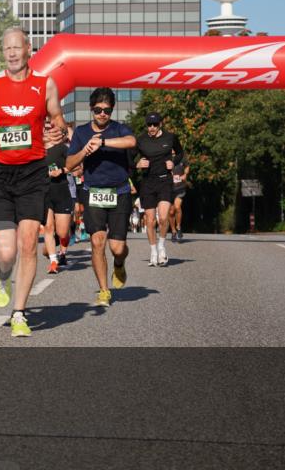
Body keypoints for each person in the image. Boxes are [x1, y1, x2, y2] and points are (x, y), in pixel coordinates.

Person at [0, 27, 67, 337]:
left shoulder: (45, 85)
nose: (11, 53)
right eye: (6, 48)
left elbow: (58, 119)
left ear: (28, 49)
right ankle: (2, 275)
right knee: (6, 253)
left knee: (28, 244)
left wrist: (56, 131)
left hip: (33, 172)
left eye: (16, 47)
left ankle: (19, 312)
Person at [66, 88, 137, 307]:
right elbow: (69, 165)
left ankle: (119, 262)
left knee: (117, 247)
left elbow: (132, 141)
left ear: (112, 110)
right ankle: (104, 290)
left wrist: (103, 143)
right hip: (93, 192)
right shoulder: (81, 133)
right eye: (98, 109)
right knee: (97, 242)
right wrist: (85, 150)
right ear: (91, 109)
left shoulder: (119, 129)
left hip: (120, 192)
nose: (102, 114)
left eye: (107, 110)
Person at [135, 112, 184, 267]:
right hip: (148, 183)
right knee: (150, 220)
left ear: (160, 124)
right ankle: (153, 251)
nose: (152, 128)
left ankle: (162, 247)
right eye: (149, 125)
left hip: (164, 181)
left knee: (163, 218)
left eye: (155, 124)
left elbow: (181, 153)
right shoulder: (140, 140)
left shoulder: (170, 137)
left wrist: (173, 162)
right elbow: (128, 159)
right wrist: (137, 164)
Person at [43, 120, 73, 274]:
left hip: (61, 191)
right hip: (44, 193)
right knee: (48, 227)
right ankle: (53, 262)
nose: (46, 132)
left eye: (49, 129)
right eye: (45, 129)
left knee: (62, 232)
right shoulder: (37, 150)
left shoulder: (62, 148)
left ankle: (62, 246)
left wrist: (61, 171)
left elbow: (74, 165)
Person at [169, 158, 189, 242]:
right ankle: (173, 231)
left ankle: (179, 227)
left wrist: (185, 174)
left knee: (177, 207)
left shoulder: (181, 157)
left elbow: (187, 167)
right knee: (171, 212)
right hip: (169, 189)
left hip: (180, 187)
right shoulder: (164, 156)